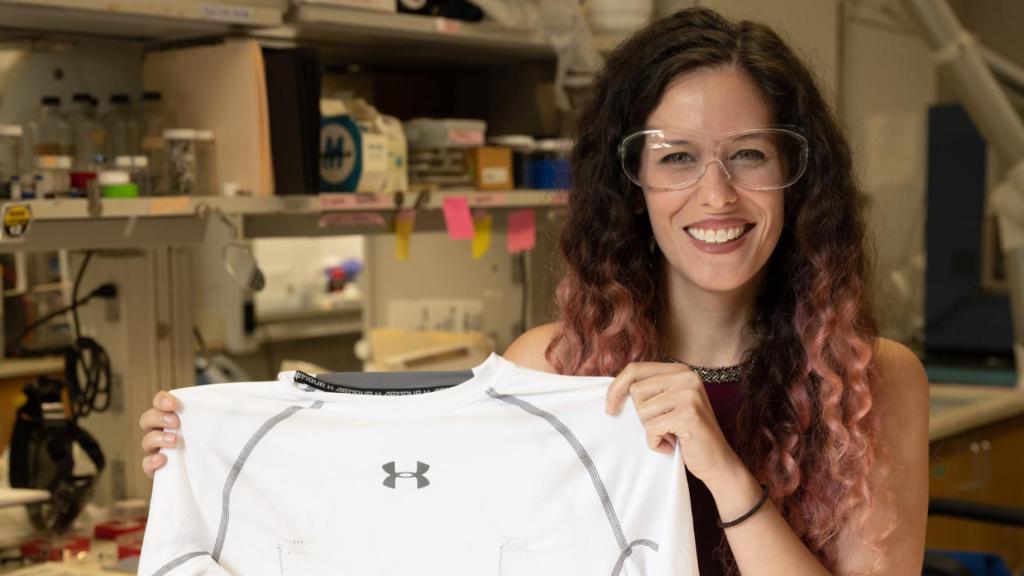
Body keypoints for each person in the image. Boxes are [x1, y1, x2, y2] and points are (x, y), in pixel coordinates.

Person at [138, 7, 928, 575]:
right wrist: (210, 452)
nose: (716, 196)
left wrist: (723, 472)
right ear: (633, 181)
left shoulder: (870, 380)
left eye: (749, 155)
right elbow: (408, 529)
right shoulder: (551, 368)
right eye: (677, 158)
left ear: (799, 174)